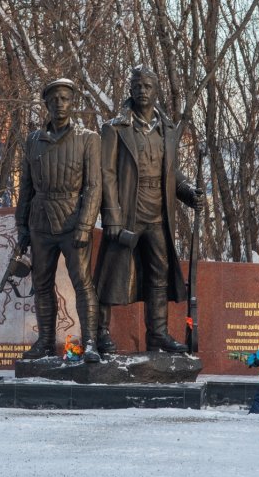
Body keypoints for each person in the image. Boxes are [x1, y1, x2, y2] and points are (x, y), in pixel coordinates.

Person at [94, 65, 203, 354]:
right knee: (111, 274)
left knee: (159, 274)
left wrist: (189, 193)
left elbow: (171, 172)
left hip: (158, 214)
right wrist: (112, 216)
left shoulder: (167, 129)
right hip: (127, 212)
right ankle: (99, 333)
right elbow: (105, 174)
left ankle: (157, 335)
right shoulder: (115, 128)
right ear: (130, 90)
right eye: (138, 86)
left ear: (156, 92)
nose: (142, 91)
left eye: (148, 86)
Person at [15, 78, 102, 363]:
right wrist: (22, 226)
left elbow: (93, 186)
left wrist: (86, 225)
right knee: (41, 284)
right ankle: (44, 342)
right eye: (54, 100)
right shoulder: (33, 140)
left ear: (72, 102)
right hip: (40, 222)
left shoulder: (87, 139)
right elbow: (25, 187)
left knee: (83, 283)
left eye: (65, 99)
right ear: (47, 104)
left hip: (72, 220)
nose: (59, 104)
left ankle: (90, 343)